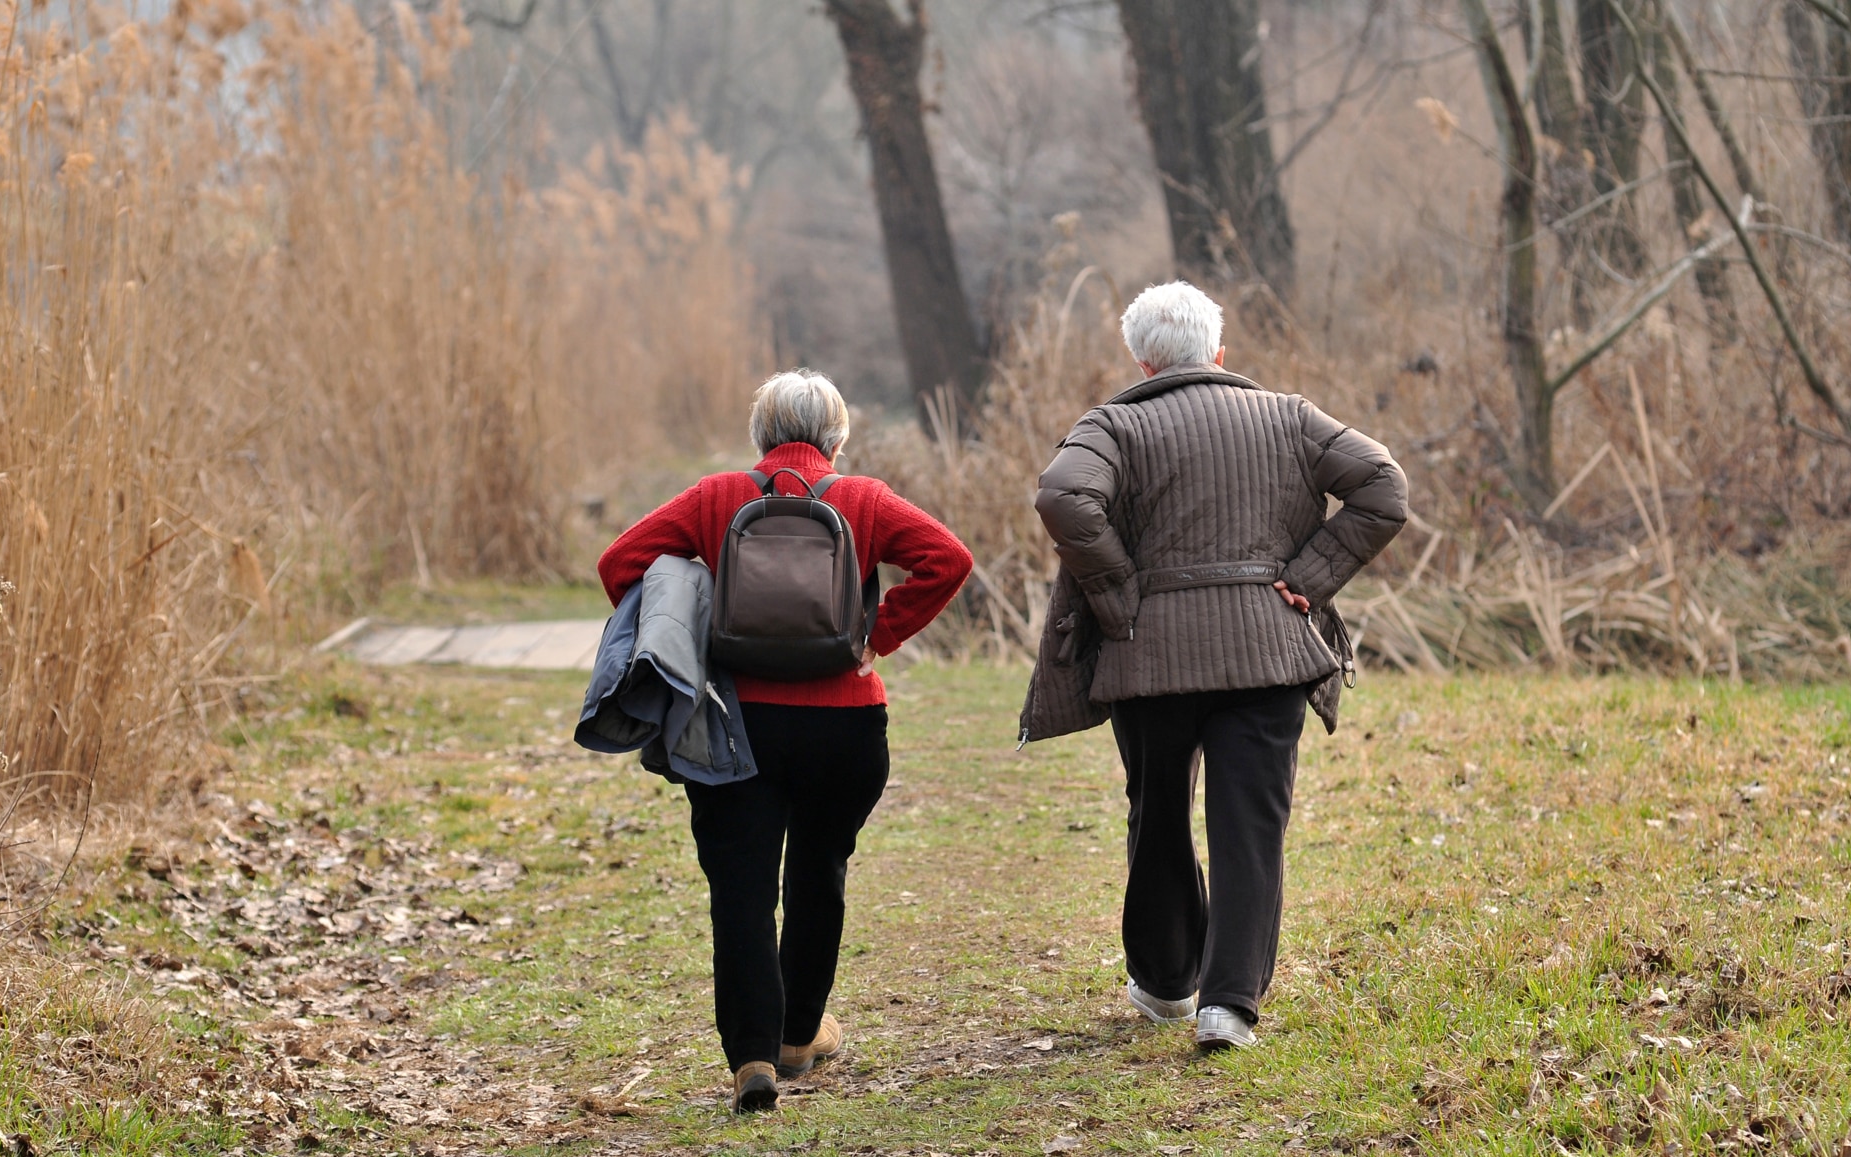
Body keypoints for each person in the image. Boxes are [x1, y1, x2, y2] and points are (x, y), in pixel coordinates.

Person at [1025, 282, 1407, 1051]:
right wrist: (1308, 577)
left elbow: (1064, 497)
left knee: (1158, 812)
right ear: (1220, 352)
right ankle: (1228, 1006)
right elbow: (1383, 485)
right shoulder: (1291, 416)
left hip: (1148, 656)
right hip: (1268, 652)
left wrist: (1116, 591)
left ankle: (1167, 982)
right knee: (1251, 824)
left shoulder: (1113, 425)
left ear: (1143, 362)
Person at [599, 369, 972, 1112]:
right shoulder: (864, 499)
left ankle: (753, 1057)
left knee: (740, 889)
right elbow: (948, 559)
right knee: (818, 869)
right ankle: (800, 1034)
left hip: (734, 722)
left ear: (760, 434)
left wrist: (685, 634)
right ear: (837, 436)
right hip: (846, 724)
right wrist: (879, 634)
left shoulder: (715, 497)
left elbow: (619, 563)